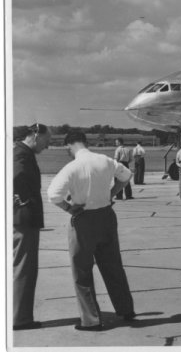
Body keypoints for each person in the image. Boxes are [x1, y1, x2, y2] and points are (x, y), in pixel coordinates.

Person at [47, 131, 136, 331]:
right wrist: (111, 193)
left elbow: (53, 194)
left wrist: (69, 208)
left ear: (68, 146)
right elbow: (126, 176)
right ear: (86, 142)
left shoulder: (72, 167)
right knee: (113, 266)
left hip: (84, 219)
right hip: (106, 216)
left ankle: (91, 319)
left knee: (82, 270)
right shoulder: (105, 160)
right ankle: (126, 309)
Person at [13, 123, 51, 330]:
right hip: (24, 219)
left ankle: (17, 316)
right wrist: (23, 201)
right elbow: (16, 177)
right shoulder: (22, 153)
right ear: (35, 135)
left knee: (20, 266)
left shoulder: (20, 151)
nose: (47, 146)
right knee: (24, 268)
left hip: (20, 217)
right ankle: (19, 318)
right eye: (46, 140)